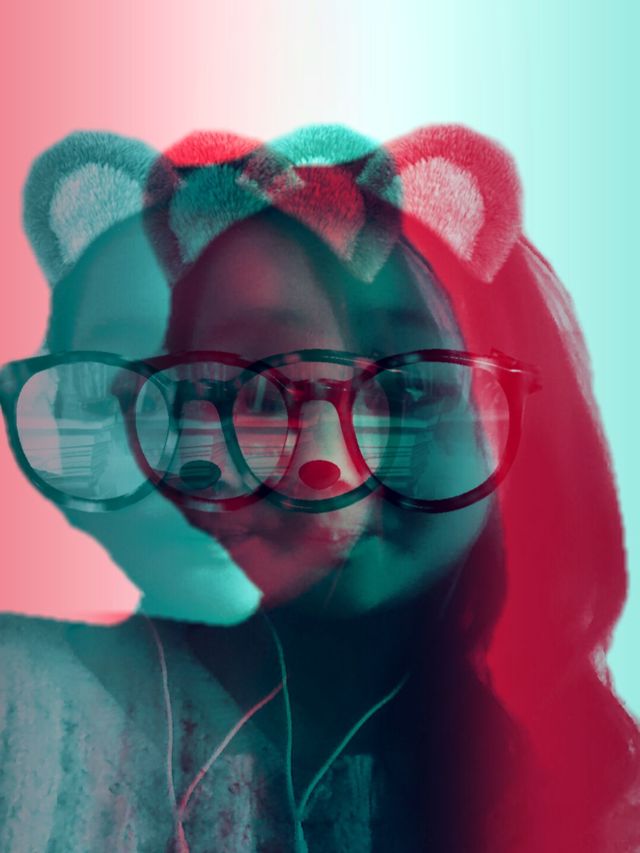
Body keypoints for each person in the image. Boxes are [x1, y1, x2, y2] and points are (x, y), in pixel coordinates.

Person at [0, 124, 637, 852]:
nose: (332, 462)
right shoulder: (38, 709)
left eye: (411, 389)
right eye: (260, 388)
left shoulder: (587, 790)